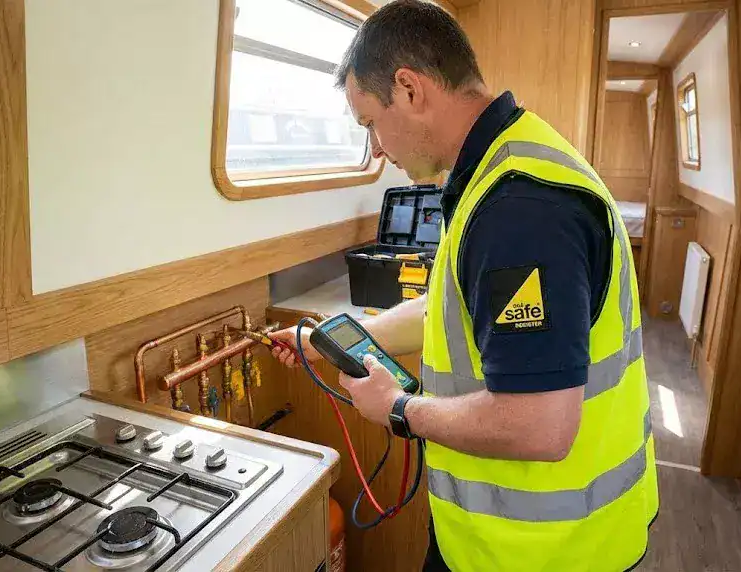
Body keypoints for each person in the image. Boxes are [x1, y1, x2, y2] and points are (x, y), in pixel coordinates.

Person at [270, 1, 658, 570]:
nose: (376, 147)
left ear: (409, 89)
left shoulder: (520, 209)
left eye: (370, 122)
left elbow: (539, 426)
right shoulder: (494, 167)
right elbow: (451, 310)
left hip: (548, 551)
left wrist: (400, 409)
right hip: (496, 540)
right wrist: (337, 338)